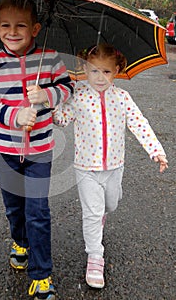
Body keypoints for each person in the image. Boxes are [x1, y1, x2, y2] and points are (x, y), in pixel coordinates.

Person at [0, 0, 73, 300]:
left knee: (37, 211)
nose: (13, 31)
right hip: (5, 151)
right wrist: (15, 115)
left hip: (40, 152)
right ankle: (19, 241)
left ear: (35, 28)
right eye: (6, 25)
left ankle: (41, 274)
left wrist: (46, 97)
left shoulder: (50, 57)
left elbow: (67, 87)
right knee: (14, 208)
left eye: (21, 25)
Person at [52, 43, 168, 289]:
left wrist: (156, 150)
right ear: (84, 69)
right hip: (86, 168)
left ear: (116, 70)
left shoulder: (122, 97)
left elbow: (139, 123)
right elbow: (62, 120)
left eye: (106, 72)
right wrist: (52, 103)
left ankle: (102, 213)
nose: (100, 77)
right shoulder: (78, 94)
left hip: (115, 166)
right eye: (94, 71)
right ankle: (95, 256)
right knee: (92, 213)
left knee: (110, 203)